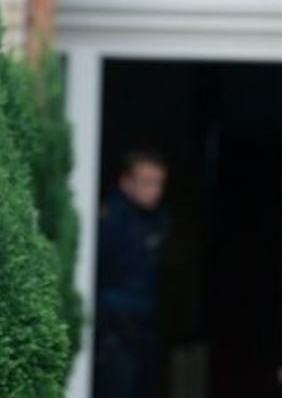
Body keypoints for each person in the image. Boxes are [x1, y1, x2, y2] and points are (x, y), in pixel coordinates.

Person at [95, 148, 169, 398]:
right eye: (147, 183)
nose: (155, 191)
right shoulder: (111, 220)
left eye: (159, 183)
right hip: (113, 328)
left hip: (145, 326)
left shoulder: (158, 218)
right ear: (126, 183)